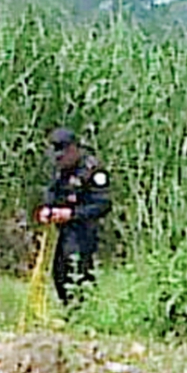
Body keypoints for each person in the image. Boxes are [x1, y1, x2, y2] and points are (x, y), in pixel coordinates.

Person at [36, 127, 111, 307]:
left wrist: (72, 214)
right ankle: (69, 308)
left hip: (83, 229)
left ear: (74, 149)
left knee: (77, 269)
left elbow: (103, 205)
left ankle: (85, 309)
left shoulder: (93, 171)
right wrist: (47, 208)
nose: (59, 160)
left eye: (63, 154)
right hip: (62, 228)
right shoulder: (60, 169)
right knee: (59, 272)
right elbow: (52, 191)